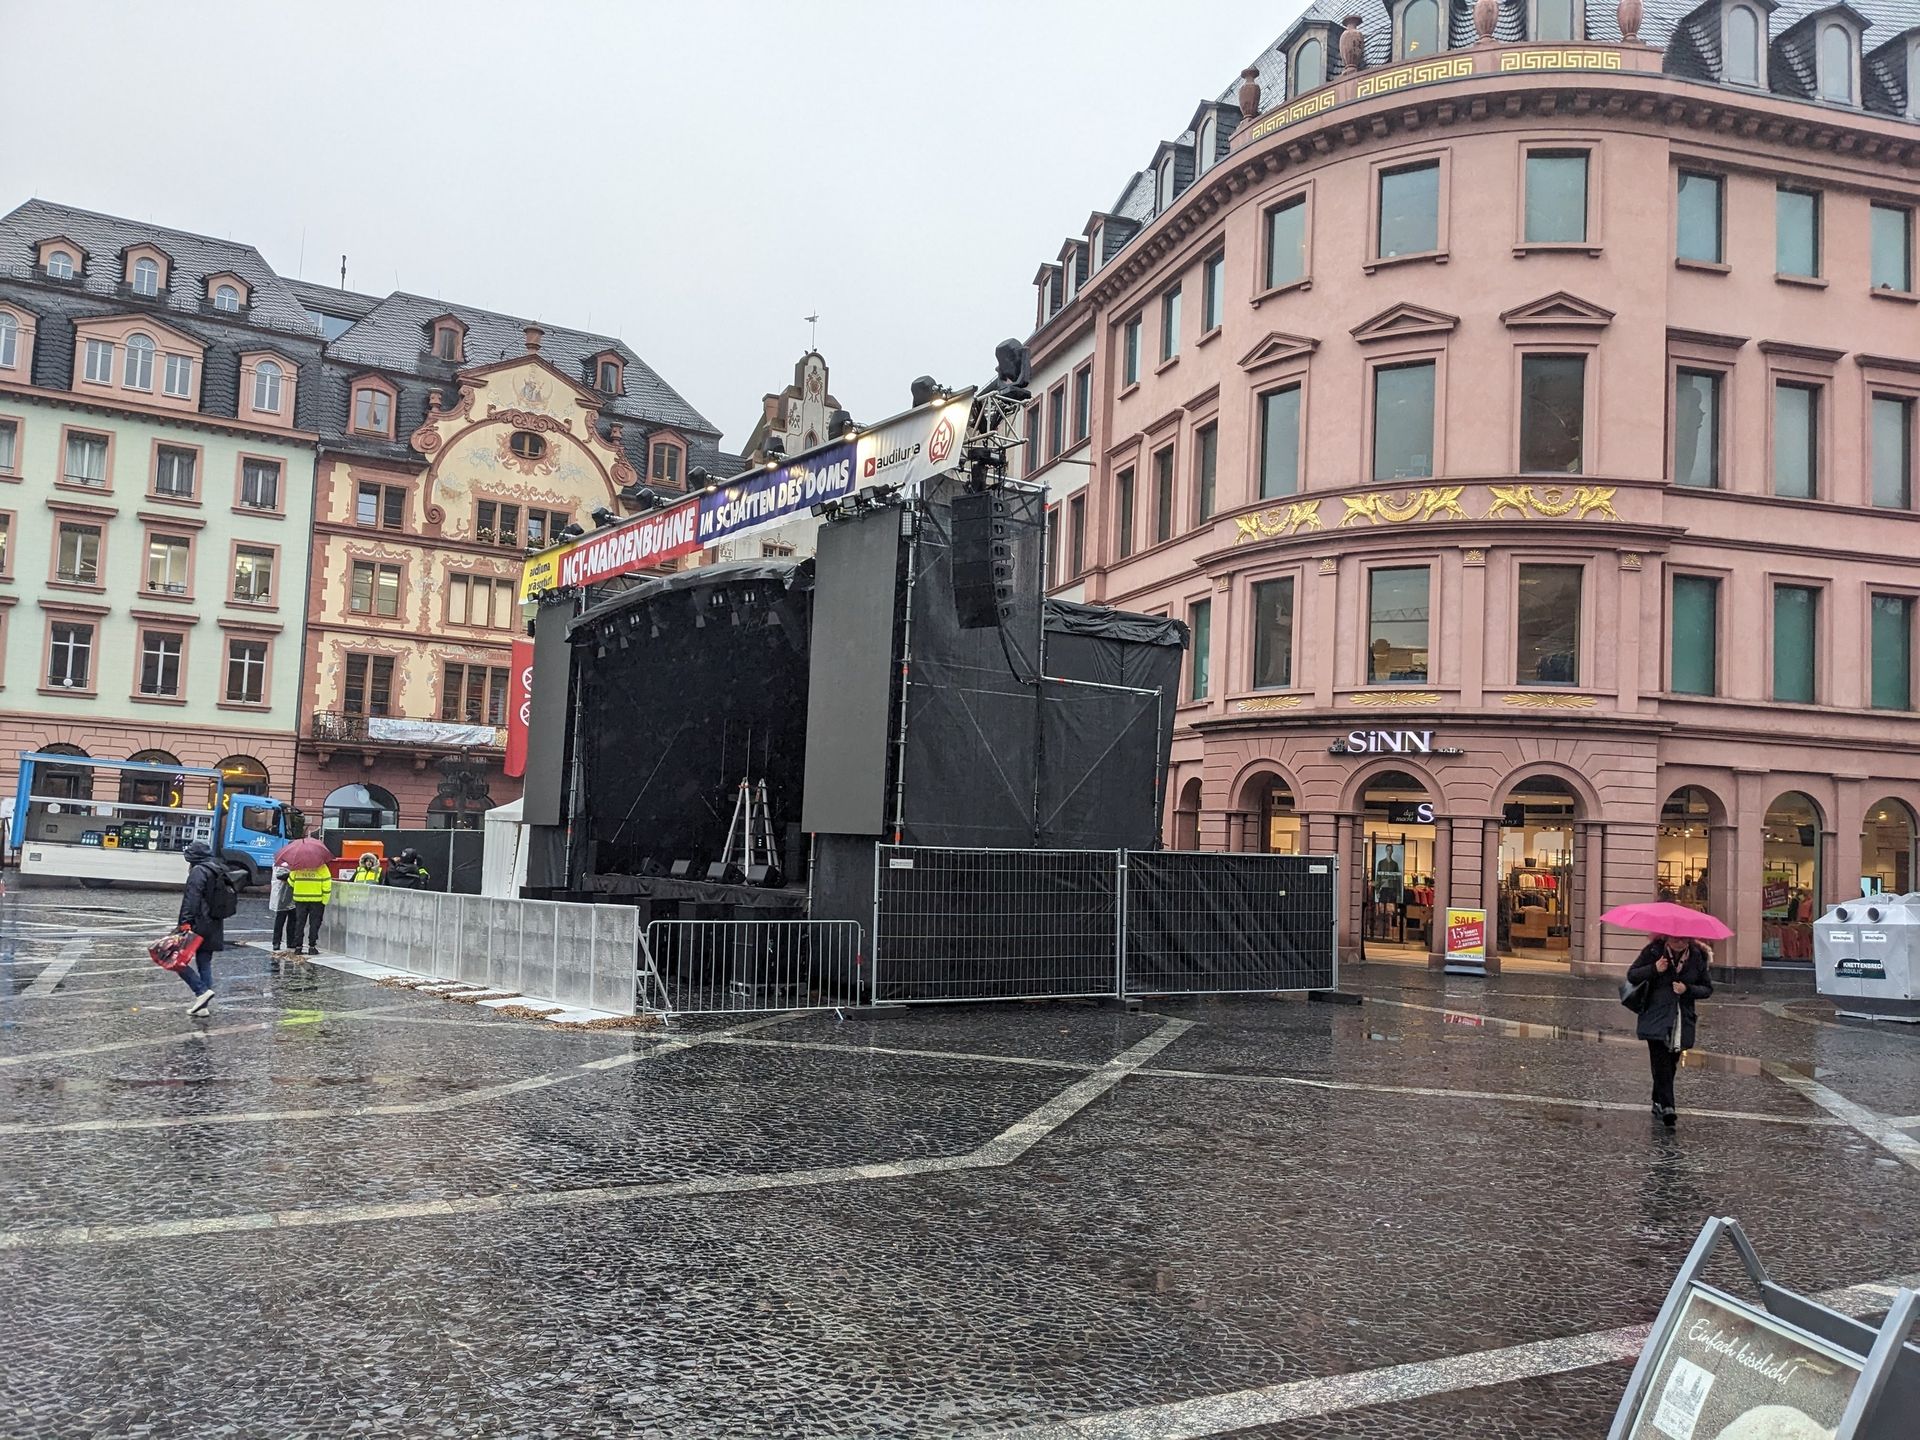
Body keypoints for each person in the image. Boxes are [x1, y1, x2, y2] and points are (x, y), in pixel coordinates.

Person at [1626, 933, 1714, 1128]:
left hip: (1681, 1019)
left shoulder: (1697, 956)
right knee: (1660, 1061)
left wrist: (1687, 989)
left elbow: (1707, 989)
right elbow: (1632, 975)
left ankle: (1658, 1100)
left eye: (1683, 939)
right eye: (1675, 939)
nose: (1679, 943)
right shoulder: (1654, 951)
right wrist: (1654, 969)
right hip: (1655, 1015)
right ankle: (1668, 1107)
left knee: (1671, 1062)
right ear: (1666, 938)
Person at [175, 840, 229, 1016]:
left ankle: (200, 991)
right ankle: (203, 1006)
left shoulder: (198, 871)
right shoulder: (216, 869)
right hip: (214, 923)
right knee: (204, 963)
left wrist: (185, 922)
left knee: (176, 960)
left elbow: (192, 899)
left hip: (198, 924)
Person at [287, 859, 333, 957]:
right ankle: (312, 947)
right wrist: (325, 900)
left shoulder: (297, 866)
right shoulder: (322, 867)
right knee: (314, 923)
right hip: (317, 900)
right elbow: (327, 884)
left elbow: (291, 881)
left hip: (300, 899)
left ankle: (298, 947)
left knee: (300, 923)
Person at [268, 861, 297, 955]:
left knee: (292, 921)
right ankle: (276, 942)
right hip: (282, 896)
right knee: (280, 920)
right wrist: (293, 873)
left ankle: (291, 942)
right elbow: (280, 875)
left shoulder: (293, 863)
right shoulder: (280, 863)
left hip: (293, 895)